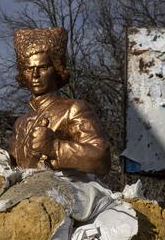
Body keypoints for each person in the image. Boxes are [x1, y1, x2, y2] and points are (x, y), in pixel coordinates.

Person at [8, 27, 110, 176]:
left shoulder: (74, 109)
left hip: (63, 194)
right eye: (29, 68)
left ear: (56, 69)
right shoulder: (21, 123)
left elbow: (102, 159)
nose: (35, 75)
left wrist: (55, 148)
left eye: (43, 67)